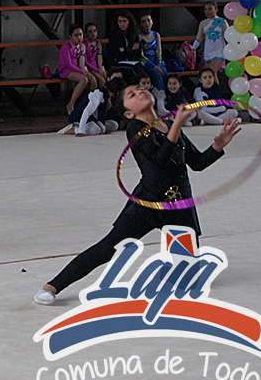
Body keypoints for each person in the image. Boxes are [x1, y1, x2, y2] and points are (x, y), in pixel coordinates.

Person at [34, 85, 241, 305]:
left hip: (178, 205)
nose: (141, 92)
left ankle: (168, 272)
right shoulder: (136, 129)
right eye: (132, 94)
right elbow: (160, 159)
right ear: (129, 113)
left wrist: (217, 146)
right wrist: (177, 125)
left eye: (141, 89)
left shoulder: (170, 125)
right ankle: (51, 286)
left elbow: (197, 163)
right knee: (108, 248)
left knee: (189, 280)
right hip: (149, 202)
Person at [58, 23, 96, 114]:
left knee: (93, 79)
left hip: (77, 69)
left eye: (80, 35)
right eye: (76, 35)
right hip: (66, 69)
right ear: (70, 37)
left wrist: (86, 72)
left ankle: (90, 105)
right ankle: (71, 104)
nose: (79, 37)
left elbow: (82, 63)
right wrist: (83, 72)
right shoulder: (66, 46)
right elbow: (69, 64)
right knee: (83, 79)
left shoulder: (82, 46)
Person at [191, 1, 227, 72]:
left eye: (210, 9)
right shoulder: (203, 23)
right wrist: (193, 48)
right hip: (208, 50)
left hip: (219, 50)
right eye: (206, 9)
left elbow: (227, 36)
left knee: (213, 72)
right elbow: (198, 38)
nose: (207, 11)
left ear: (216, 9)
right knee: (209, 73)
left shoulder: (222, 21)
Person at [138, 11, 167, 92]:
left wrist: (158, 65)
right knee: (158, 76)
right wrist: (155, 67)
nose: (147, 23)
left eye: (148, 20)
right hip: (146, 64)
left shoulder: (156, 35)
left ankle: (171, 95)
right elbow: (141, 56)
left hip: (156, 62)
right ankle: (161, 96)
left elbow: (159, 53)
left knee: (166, 75)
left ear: (152, 21)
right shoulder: (140, 36)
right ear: (140, 24)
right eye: (143, 22)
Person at [105, 10, 140, 75]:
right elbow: (116, 53)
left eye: (124, 21)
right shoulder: (113, 36)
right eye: (120, 21)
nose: (122, 24)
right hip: (117, 64)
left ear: (129, 22)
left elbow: (138, 53)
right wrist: (131, 50)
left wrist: (124, 50)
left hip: (133, 64)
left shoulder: (135, 35)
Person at [83, 21, 107, 88]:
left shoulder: (98, 44)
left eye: (94, 31)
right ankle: (92, 94)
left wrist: (102, 69)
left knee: (105, 78)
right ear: (86, 33)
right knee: (100, 81)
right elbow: (85, 62)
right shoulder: (83, 44)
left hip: (95, 67)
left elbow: (99, 58)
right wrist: (98, 70)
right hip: (87, 68)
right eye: (90, 31)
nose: (93, 33)